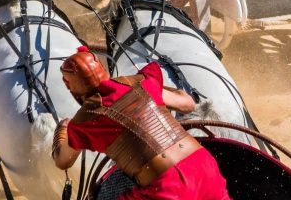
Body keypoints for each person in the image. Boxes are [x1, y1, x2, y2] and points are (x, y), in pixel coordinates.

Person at [52, 46, 231, 200]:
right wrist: (159, 91)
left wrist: (63, 129)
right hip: (203, 166)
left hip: (167, 186)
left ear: (69, 85)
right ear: (102, 67)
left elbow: (62, 161)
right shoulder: (142, 83)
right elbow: (188, 104)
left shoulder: (86, 119)